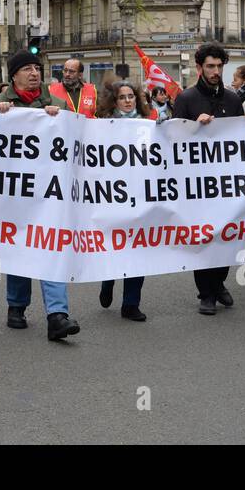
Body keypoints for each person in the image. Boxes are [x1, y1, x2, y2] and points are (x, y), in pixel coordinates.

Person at [0, 49, 81, 341]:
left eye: (37, 68)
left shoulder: (55, 103)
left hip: (49, 191)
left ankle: (57, 315)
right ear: (13, 75)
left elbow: (75, 134)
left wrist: (61, 118)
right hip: (15, 190)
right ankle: (16, 306)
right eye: (27, 68)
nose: (34, 73)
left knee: (51, 245)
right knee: (20, 246)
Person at [171, 43, 245, 315]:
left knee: (226, 236)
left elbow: (241, 140)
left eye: (219, 66)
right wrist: (193, 126)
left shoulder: (234, 99)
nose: (215, 71)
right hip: (197, 185)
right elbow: (174, 140)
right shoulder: (186, 99)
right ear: (199, 68)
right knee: (204, 239)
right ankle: (206, 293)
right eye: (210, 66)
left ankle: (219, 282)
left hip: (227, 185)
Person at [95, 81, 154, 320]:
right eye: (122, 97)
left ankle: (131, 304)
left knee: (137, 250)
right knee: (114, 247)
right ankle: (107, 282)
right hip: (112, 195)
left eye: (131, 96)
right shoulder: (102, 126)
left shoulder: (149, 124)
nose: (128, 101)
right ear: (114, 101)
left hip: (140, 195)